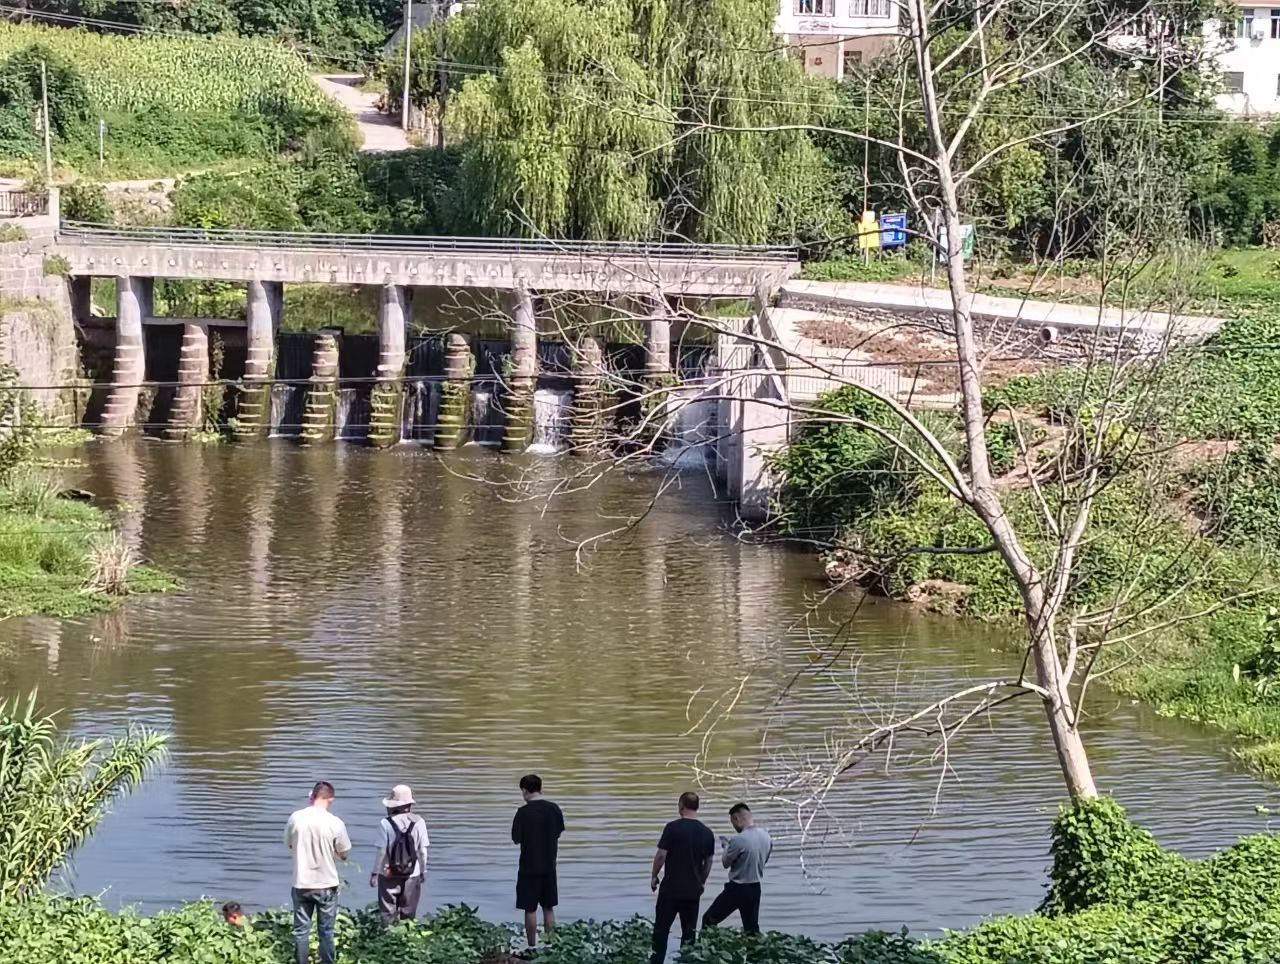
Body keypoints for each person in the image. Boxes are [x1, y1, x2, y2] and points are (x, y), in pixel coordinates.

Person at [284, 781, 352, 964]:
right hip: (326, 884)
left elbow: (289, 844)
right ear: (331, 799)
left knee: (301, 931)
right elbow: (344, 853)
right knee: (326, 931)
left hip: (301, 883)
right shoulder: (335, 822)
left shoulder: (296, 818)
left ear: (311, 796)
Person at [649, 791, 715, 964]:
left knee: (661, 932)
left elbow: (661, 855)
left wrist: (654, 876)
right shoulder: (707, 833)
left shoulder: (672, 828)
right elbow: (708, 863)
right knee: (689, 935)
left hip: (670, 890)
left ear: (681, 806)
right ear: (697, 807)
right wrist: (701, 882)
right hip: (692, 892)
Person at [511, 773, 565, 954]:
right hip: (549, 866)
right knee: (548, 907)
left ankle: (532, 947)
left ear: (525, 790)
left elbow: (516, 839)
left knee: (530, 909)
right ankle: (550, 947)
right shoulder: (554, 809)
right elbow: (558, 832)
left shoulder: (523, 812)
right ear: (541, 789)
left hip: (528, 868)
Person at [701, 803, 772, 935]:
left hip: (737, 888)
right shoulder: (766, 836)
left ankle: (707, 945)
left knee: (709, 919)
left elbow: (725, 863)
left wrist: (726, 847)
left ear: (737, 818)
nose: (734, 826)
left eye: (732, 822)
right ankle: (755, 948)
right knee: (751, 929)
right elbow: (765, 859)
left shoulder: (738, 839)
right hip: (755, 888)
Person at [369, 784, 430, 924]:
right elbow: (422, 851)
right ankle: (407, 935)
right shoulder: (419, 822)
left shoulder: (385, 823)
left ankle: (389, 935)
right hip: (412, 874)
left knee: (387, 913)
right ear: (409, 804)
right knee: (408, 914)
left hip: (388, 873)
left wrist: (375, 873)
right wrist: (422, 871)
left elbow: (381, 851)